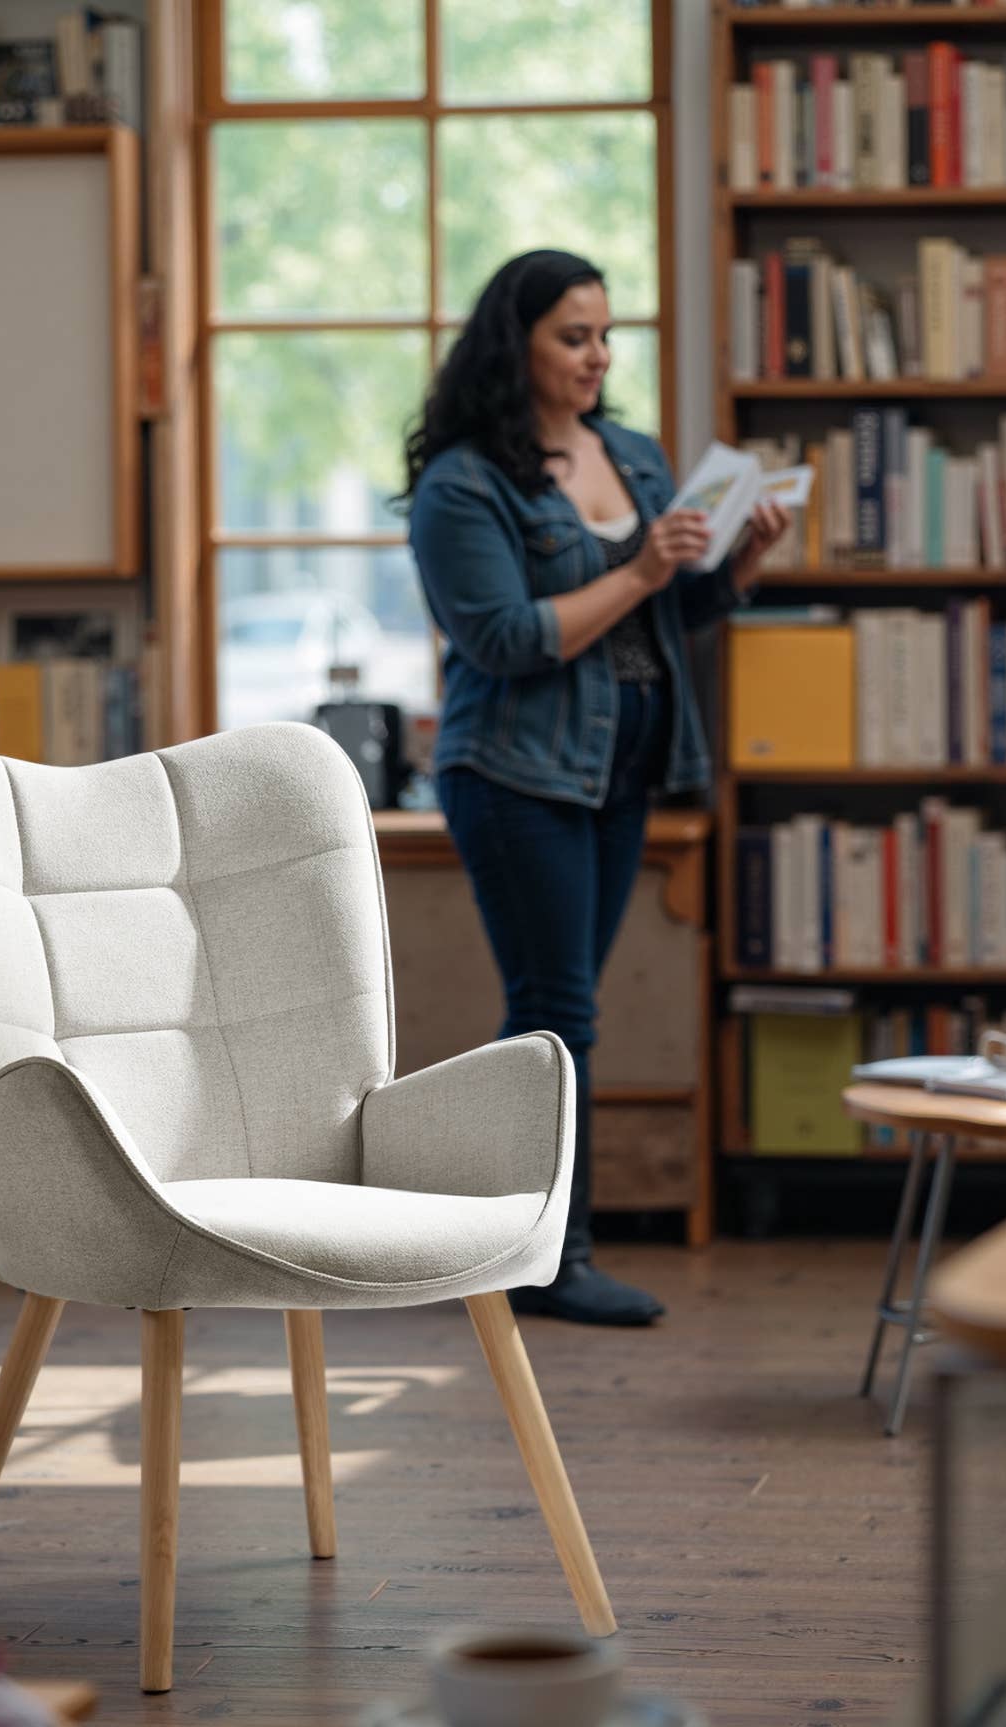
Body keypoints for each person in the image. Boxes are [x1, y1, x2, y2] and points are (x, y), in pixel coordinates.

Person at [403, 248, 790, 1326]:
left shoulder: (631, 452)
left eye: (604, 335)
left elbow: (673, 615)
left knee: (554, 1014)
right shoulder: (463, 482)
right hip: (514, 774)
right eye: (572, 336)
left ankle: (496, 1235)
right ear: (513, 344)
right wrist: (641, 570)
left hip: (624, 773)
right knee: (558, 1012)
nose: (597, 356)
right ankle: (544, 1258)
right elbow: (506, 639)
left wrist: (738, 566)